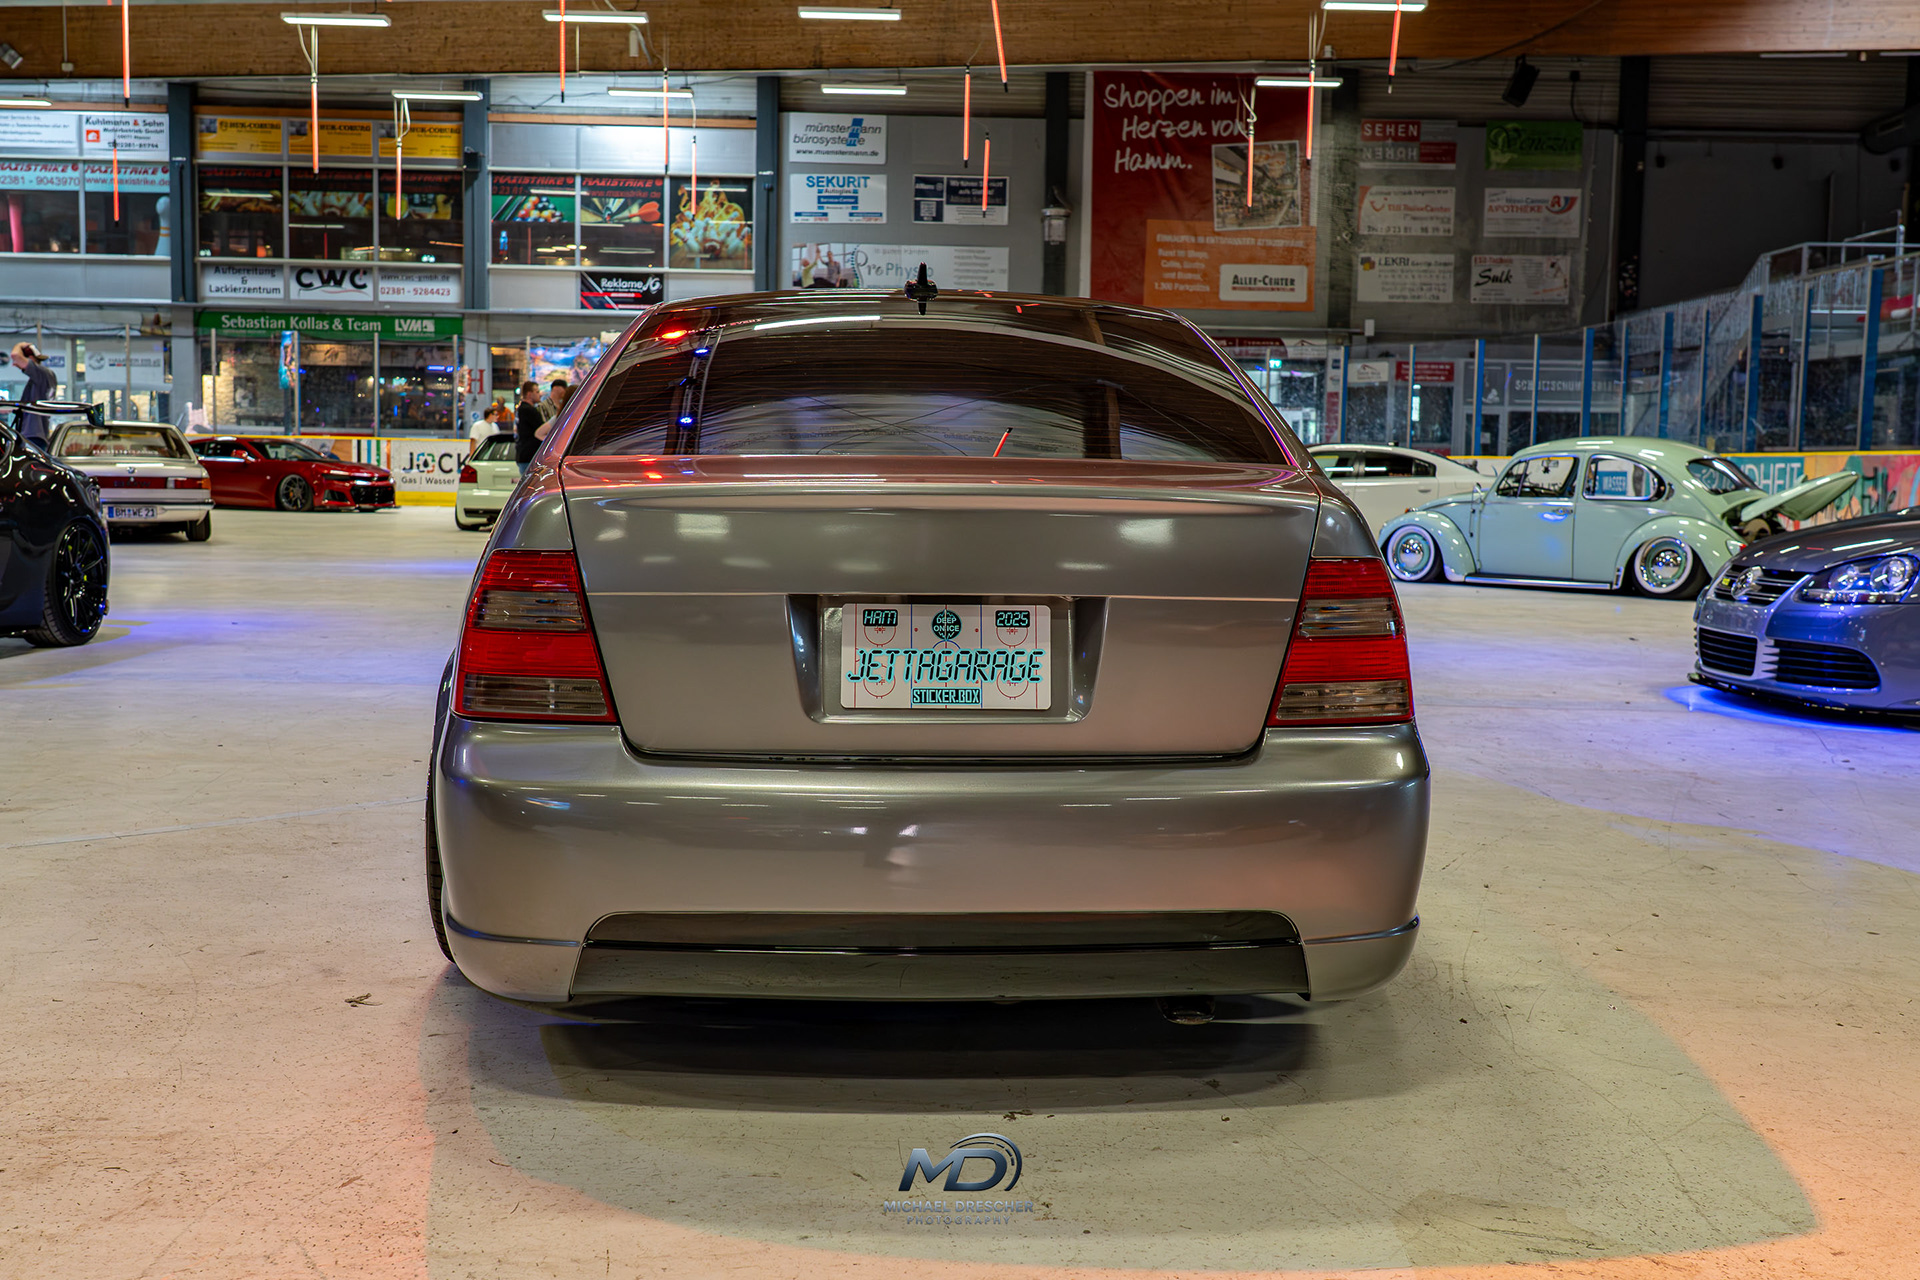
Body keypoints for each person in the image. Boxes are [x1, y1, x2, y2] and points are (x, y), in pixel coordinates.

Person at [9, 342, 58, 445]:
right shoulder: (41, 379)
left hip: (33, 436)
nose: (14, 364)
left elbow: (15, 355)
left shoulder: (42, 374)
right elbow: (27, 407)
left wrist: (20, 345)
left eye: (15, 362)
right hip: (36, 435)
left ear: (30, 358)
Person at [514, 380, 544, 472]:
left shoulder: (520, 409)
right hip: (530, 456)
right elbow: (542, 430)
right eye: (537, 392)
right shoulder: (529, 411)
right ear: (529, 394)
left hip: (523, 455)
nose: (540, 394)